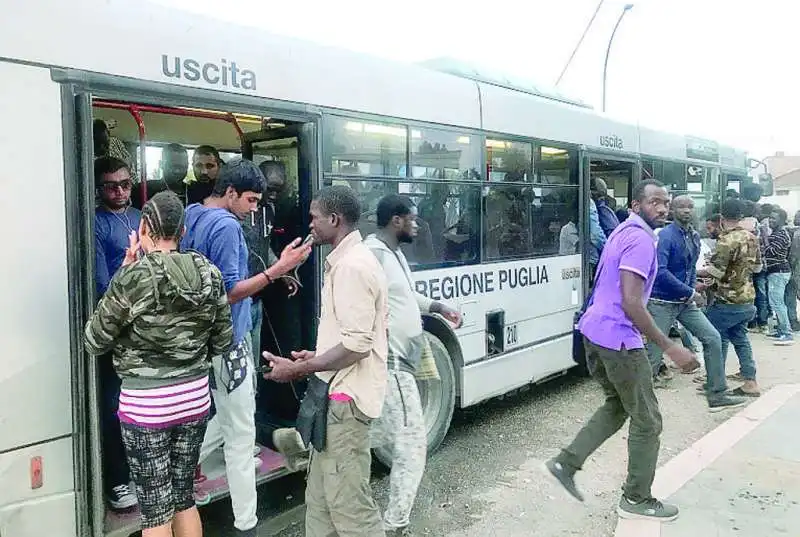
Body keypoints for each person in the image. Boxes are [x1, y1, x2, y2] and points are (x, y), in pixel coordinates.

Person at [544, 179, 698, 522]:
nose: (662, 208)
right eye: (654, 202)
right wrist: (670, 347)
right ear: (636, 204)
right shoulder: (642, 240)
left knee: (617, 405)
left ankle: (565, 462)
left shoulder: (624, 230)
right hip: (618, 338)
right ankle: (636, 499)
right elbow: (631, 301)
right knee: (648, 421)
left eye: (665, 202)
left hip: (594, 332)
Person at [84, 191, 233, 537]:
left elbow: (95, 340)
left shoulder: (133, 277)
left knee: (155, 508)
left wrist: (123, 271)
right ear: (182, 232)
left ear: (145, 227)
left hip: (147, 407)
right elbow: (222, 340)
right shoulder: (208, 272)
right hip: (194, 399)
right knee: (183, 497)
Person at [181, 158, 311, 536]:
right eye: (251, 201)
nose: (254, 209)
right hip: (229, 341)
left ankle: (182, 462)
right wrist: (277, 270)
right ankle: (246, 524)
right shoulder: (226, 226)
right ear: (231, 192)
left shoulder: (193, 214)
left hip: (202, 339)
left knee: (224, 417)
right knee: (240, 436)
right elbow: (231, 292)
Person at [264, 185, 389, 537]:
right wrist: (315, 357)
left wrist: (298, 368)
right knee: (319, 504)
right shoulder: (346, 262)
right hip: (334, 398)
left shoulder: (352, 267)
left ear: (334, 219)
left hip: (345, 404)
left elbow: (357, 346)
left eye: (314, 218)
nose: (310, 225)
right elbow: (350, 337)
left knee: (349, 506)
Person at [364, 194, 462, 535]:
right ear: (396, 221)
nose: (418, 225)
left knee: (371, 434)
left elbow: (404, 296)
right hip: (391, 362)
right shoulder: (374, 256)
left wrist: (436, 306)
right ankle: (396, 524)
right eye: (413, 219)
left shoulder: (394, 255)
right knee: (412, 442)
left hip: (404, 357)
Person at [646, 196, 745, 410]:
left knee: (713, 338)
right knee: (653, 355)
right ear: (672, 210)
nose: (687, 210)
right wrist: (691, 291)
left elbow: (689, 268)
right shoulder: (666, 236)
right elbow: (660, 272)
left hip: (683, 302)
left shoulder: (692, 235)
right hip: (662, 301)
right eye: (682, 207)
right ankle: (632, 402)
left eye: (690, 207)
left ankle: (717, 393)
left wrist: (696, 284)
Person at [94, 156, 142, 511]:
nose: (120, 191)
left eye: (125, 184)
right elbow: (99, 283)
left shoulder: (140, 217)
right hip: (114, 325)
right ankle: (116, 480)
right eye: (112, 185)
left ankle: (137, 474)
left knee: (143, 405)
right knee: (115, 407)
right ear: (99, 188)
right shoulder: (96, 222)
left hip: (145, 328)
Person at [698, 199, 762, 397]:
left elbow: (716, 272)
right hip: (747, 297)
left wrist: (697, 272)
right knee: (740, 338)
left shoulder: (726, 240)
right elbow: (758, 267)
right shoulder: (752, 237)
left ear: (722, 218)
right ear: (741, 217)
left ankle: (715, 381)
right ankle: (750, 381)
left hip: (727, 299)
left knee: (715, 338)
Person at [763, 207, 794, 344]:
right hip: (776, 272)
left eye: (774, 218)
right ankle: (782, 330)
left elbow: (771, 251)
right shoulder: (776, 233)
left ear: (781, 221)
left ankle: (787, 333)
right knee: (776, 302)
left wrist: (764, 237)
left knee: (777, 303)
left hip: (778, 272)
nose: (770, 220)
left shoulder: (781, 234)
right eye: (770, 217)